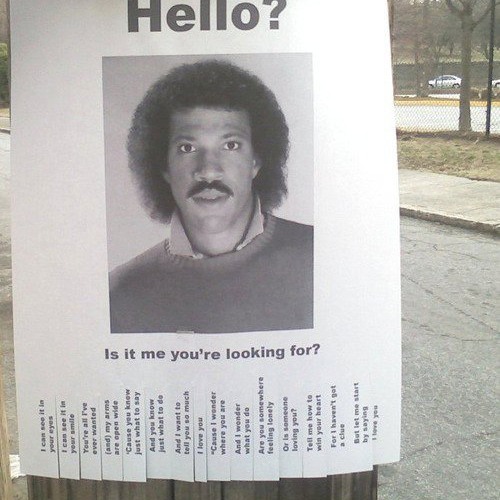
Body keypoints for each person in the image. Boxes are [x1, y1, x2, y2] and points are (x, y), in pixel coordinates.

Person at [109, 59, 313, 334]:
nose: (208, 171)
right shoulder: (120, 295)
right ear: (164, 167)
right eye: (187, 148)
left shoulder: (320, 258)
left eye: (230, 145)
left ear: (256, 161)